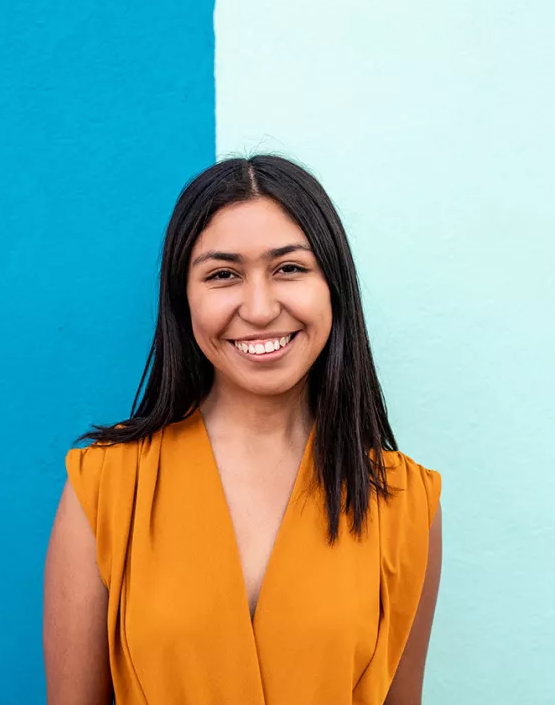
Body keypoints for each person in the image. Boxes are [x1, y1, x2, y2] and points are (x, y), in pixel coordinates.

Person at [43, 155, 443, 705]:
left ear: (334, 287)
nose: (259, 308)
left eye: (290, 269)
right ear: (183, 300)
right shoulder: (105, 485)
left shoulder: (403, 500)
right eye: (223, 274)